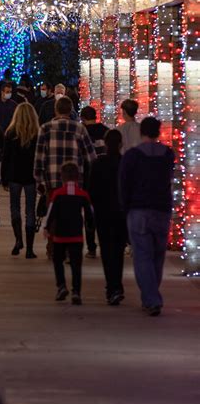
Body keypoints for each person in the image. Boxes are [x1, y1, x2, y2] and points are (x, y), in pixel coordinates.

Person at [119, 116, 175, 317]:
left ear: (142, 132)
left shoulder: (132, 156)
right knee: (158, 255)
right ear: (158, 132)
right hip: (161, 209)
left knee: (142, 255)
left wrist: (124, 207)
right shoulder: (168, 154)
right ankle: (151, 294)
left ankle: (151, 298)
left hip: (138, 209)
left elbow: (124, 184)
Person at [44, 162, 94, 305]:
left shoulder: (57, 194)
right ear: (78, 177)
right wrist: (90, 226)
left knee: (57, 261)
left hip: (60, 236)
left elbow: (51, 213)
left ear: (62, 178)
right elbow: (90, 214)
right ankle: (76, 292)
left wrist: (46, 228)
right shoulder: (82, 194)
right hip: (76, 235)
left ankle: (61, 286)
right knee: (76, 265)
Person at [88, 129, 127, 306]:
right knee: (118, 250)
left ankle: (111, 287)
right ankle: (117, 286)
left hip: (103, 212)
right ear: (121, 144)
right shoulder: (125, 163)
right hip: (120, 213)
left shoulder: (98, 163)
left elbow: (91, 189)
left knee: (106, 249)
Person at [34, 96, 96, 202]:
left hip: (52, 181)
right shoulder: (79, 128)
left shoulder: (45, 129)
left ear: (56, 109)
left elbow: (39, 159)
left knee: (54, 214)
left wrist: (40, 183)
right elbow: (91, 157)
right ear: (70, 110)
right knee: (73, 214)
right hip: (75, 182)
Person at [1, 102, 39, 258]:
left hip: (14, 175)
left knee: (15, 208)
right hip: (31, 176)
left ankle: (18, 240)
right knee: (30, 211)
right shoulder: (37, 133)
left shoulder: (10, 134)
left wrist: (4, 178)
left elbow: (6, 158)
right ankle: (30, 248)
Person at [80, 105, 110, 258]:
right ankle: (106, 243)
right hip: (105, 177)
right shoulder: (106, 131)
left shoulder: (82, 132)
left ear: (83, 118)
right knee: (104, 212)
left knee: (89, 214)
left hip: (87, 177)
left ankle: (91, 247)